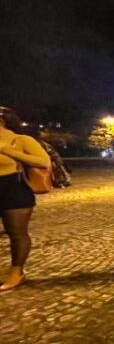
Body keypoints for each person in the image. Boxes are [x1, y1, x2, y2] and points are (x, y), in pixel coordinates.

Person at [0, 107, 51, 292]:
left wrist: (9, 152)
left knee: (16, 233)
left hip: (14, 189)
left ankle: (17, 273)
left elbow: (43, 162)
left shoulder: (21, 140)